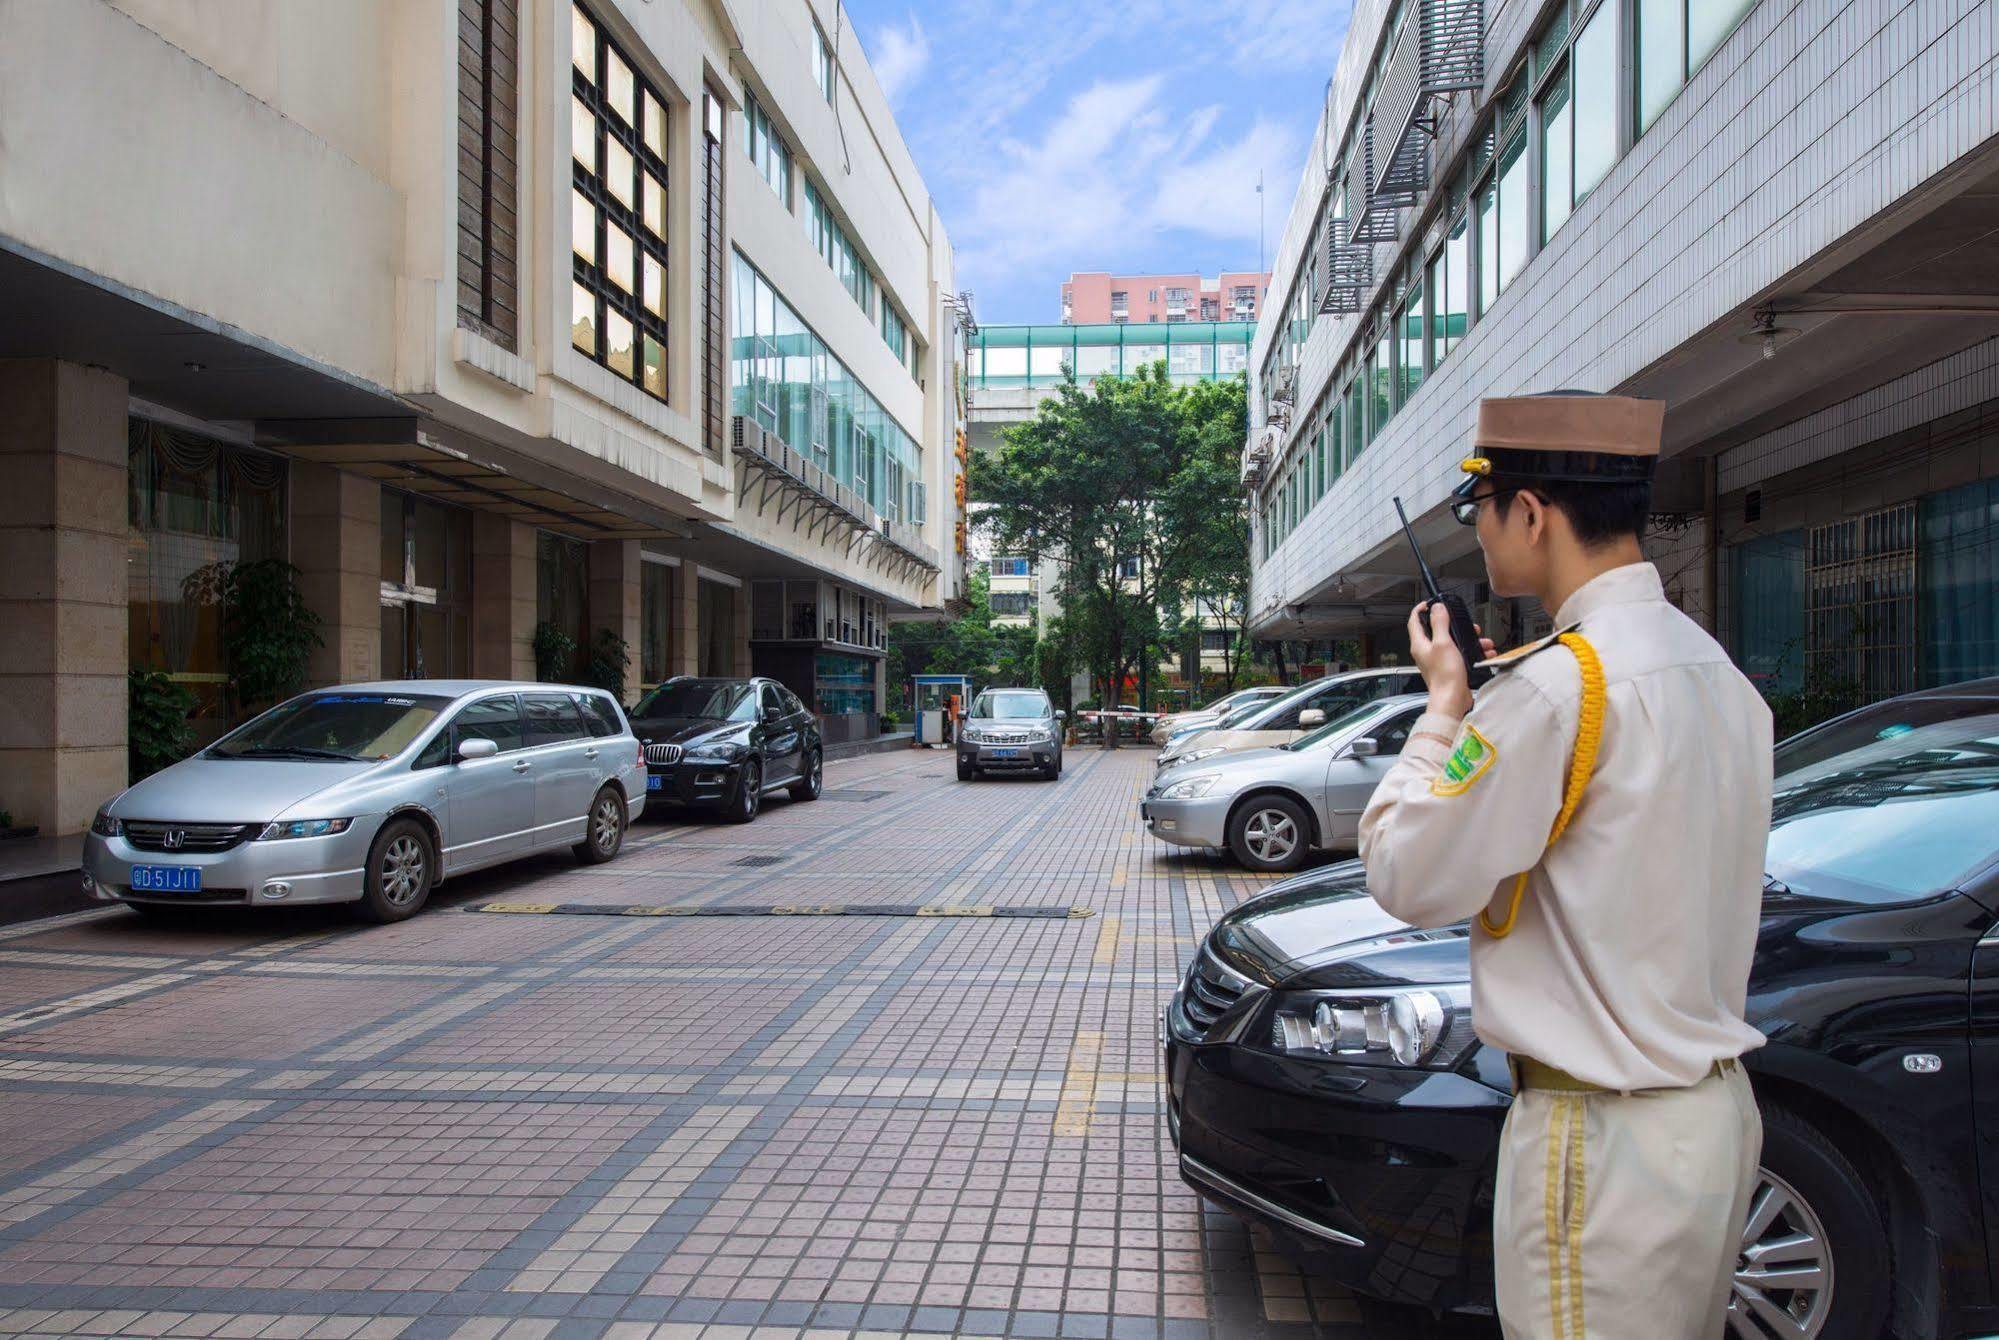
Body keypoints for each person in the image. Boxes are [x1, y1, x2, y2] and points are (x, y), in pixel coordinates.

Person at [1357, 390, 1771, 1339]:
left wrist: (1447, 706)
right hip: (1709, 1120)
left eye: (1481, 510)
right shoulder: (1712, 669)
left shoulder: (1554, 688)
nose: (1482, 534)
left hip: (1601, 1138)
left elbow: (1407, 874)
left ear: (1532, 513)